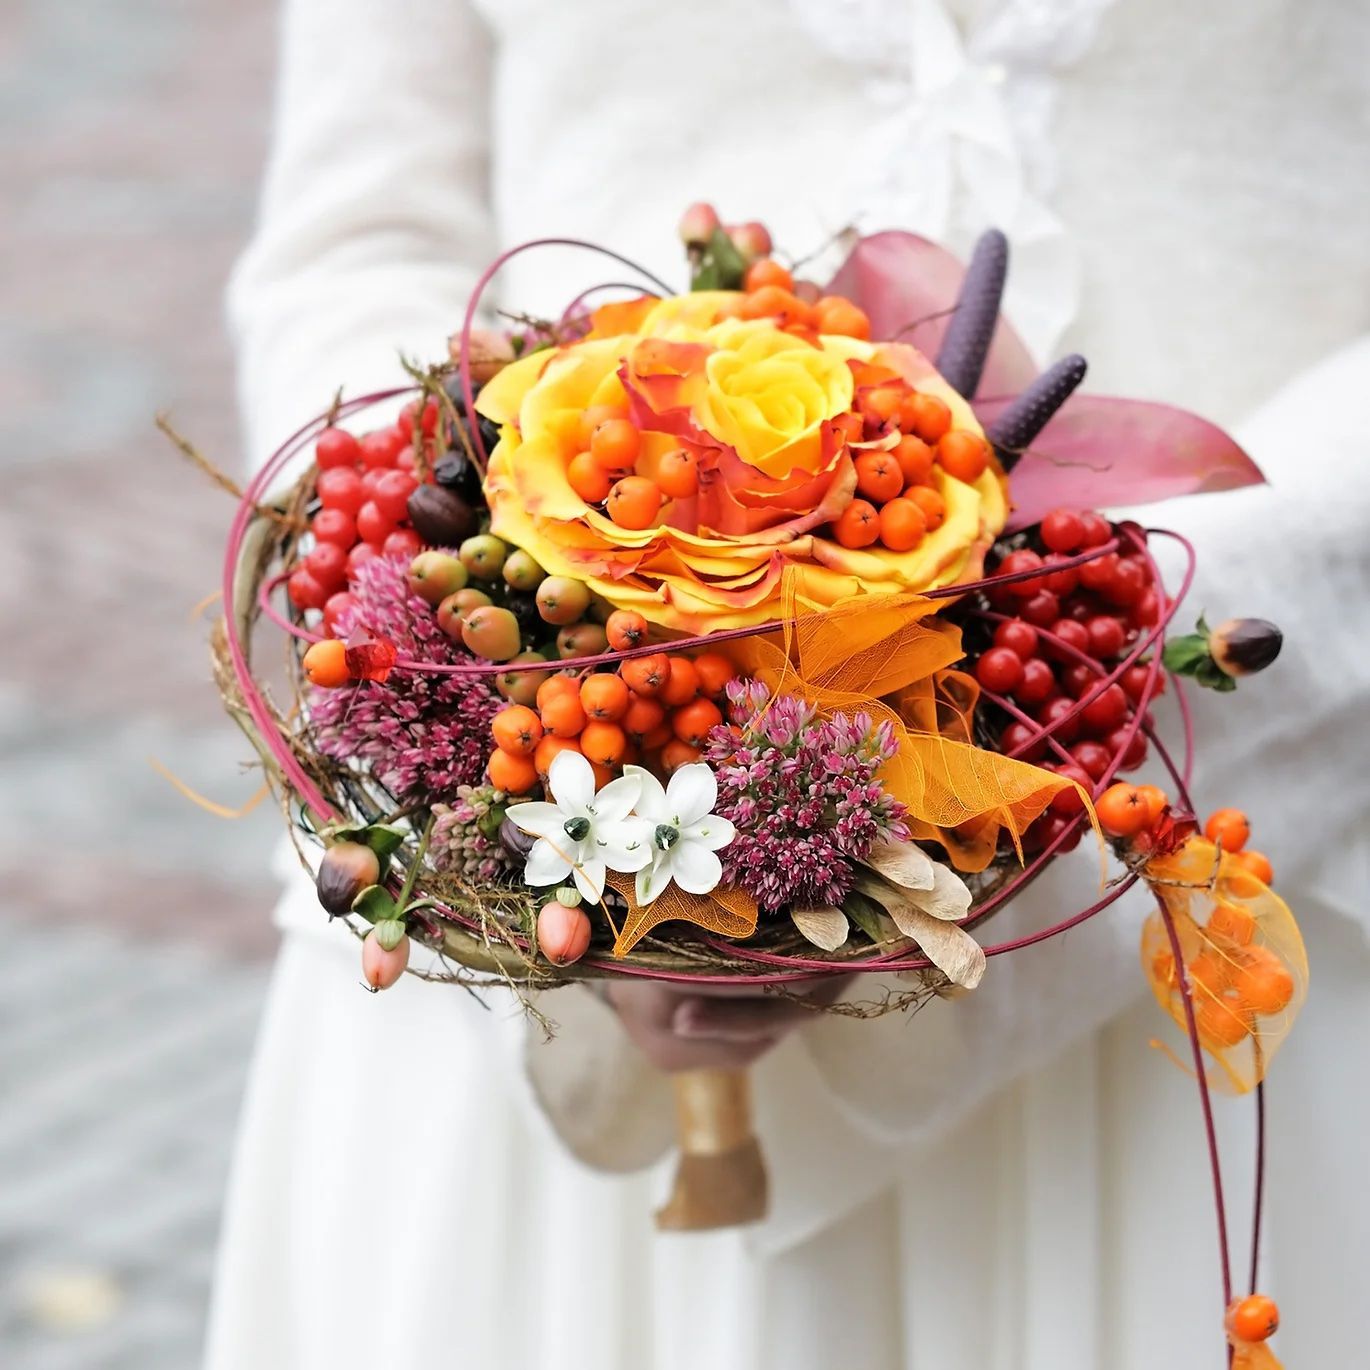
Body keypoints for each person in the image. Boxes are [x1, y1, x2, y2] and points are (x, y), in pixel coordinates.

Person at [205, 1, 1370, 1365]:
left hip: (1207, 875)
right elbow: (361, 237)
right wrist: (490, 707)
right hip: (537, 871)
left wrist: (1071, 676)